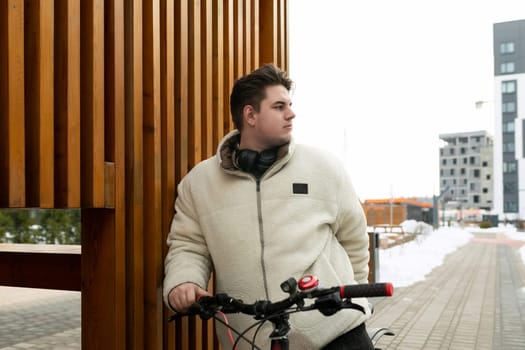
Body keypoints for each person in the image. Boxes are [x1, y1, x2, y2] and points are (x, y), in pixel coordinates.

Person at [163, 64, 374, 349]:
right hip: (250, 338)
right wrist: (183, 282)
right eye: (279, 106)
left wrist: (351, 298)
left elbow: (354, 239)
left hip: (335, 332)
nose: (291, 113)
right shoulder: (198, 183)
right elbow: (188, 245)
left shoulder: (324, 168)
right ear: (250, 114)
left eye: (290, 104)